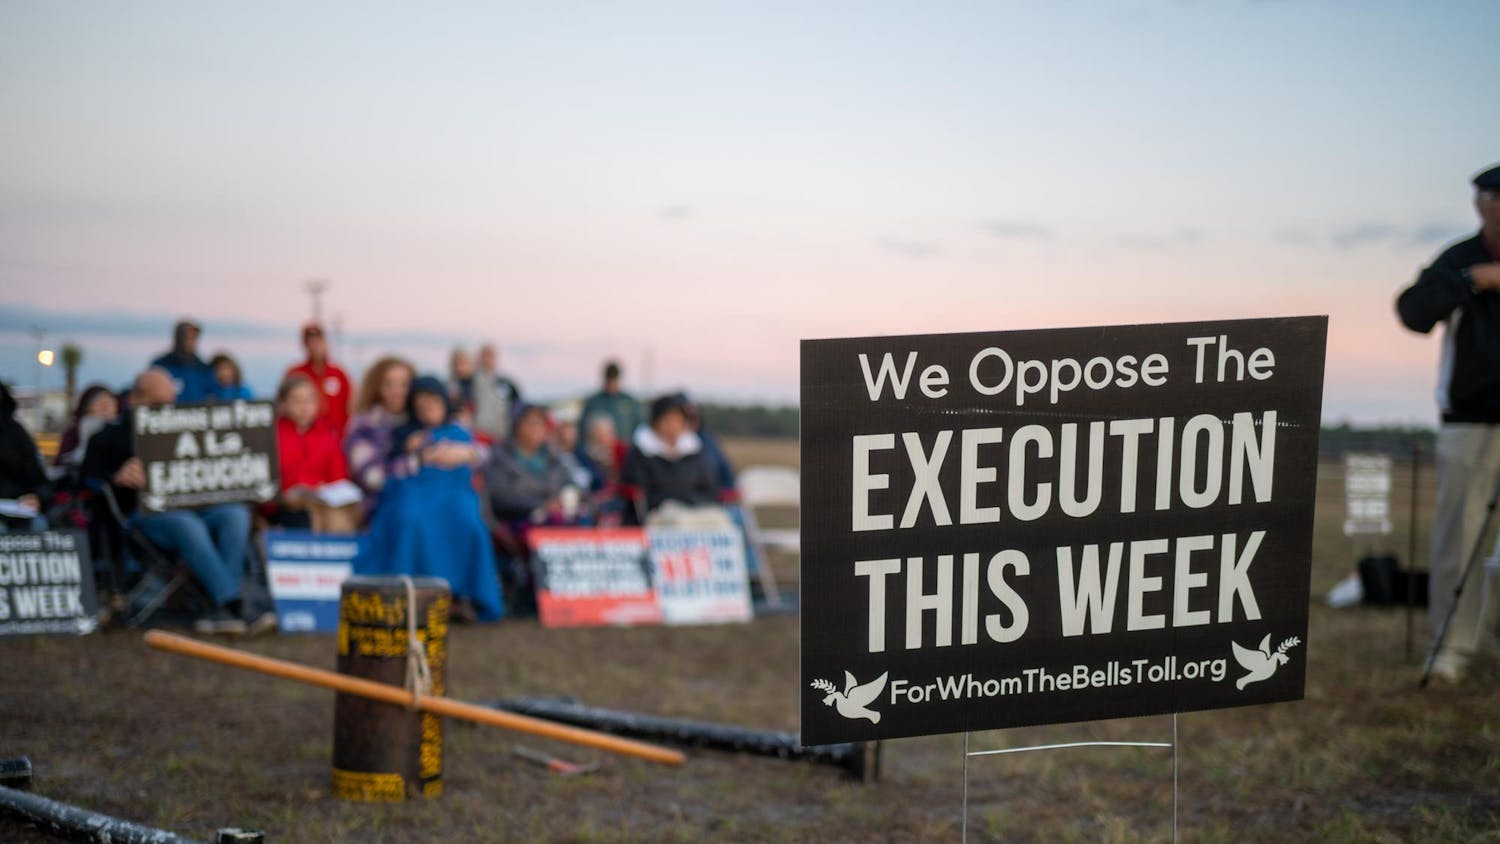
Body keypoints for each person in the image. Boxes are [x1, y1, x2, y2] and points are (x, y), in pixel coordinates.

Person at [1395, 163, 1500, 682]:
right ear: (1484, 205)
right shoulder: (1461, 259)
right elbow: (1412, 311)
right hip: (1472, 418)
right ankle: (1453, 648)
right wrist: (1471, 282)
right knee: (1460, 536)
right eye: (1494, 200)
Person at [81, 369, 273, 635]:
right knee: (186, 525)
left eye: (172, 402)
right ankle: (232, 604)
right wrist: (117, 477)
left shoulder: (187, 427)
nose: (167, 409)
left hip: (196, 508)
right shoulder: (107, 437)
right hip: (145, 515)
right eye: (158, 403)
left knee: (235, 514)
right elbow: (84, 480)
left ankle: (222, 608)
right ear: (135, 399)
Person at [354, 376, 502, 622]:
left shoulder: (460, 433)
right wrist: (420, 457)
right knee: (412, 519)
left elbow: (486, 453)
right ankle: (412, 595)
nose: (427, 409)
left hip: (455, 495)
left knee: (470, 524)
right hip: (414, 493)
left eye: (432, 403)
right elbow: (380, 475)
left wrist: (468, 454)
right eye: (421, 405)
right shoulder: (404, 434)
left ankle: (460, 596)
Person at [271, 375, 357, 533]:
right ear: (283, 404)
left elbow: (339, 477)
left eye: (309, 400)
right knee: (301, 518)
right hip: (286, 506)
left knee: (340, 520)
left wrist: (324, 490)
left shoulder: (328, 435)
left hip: (324, 502)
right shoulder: (272, 436)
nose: (304, 407)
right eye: (297, 401)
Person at [621, 393, 721, 520]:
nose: (673, 425)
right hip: (658, 516)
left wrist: (691, 501)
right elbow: (642, 495)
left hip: (697, 512)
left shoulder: (696, 450)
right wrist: (677, 500)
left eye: (678, 419)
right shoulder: (640, 452)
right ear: (655, 423)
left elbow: (711, 490)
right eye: (668, 419)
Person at [344, 356, 415, 518]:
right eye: (389, 385)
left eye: (404, 385)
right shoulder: (365, 426)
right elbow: (372, 478)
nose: (397, 391)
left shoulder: (423, 422)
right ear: (377, 388)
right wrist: (415, 462)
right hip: (380, 506)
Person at [285, 323, 353, 436]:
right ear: (304, 344)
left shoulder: (339, 374)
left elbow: (350, 406)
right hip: (303, 439)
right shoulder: (295, 373)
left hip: (336, 440)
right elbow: (285, 406)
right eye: (310, 342)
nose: (315, 345)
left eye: (318, 340)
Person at [0, 382, 49, 531]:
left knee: (39, 525)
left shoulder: (16, 434)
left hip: (16, 507)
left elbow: (38, 480)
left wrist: (36, 498)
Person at [579, 360, 643, 457]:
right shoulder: (593, 402)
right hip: (597, 455)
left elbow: (640, 426)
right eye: (609, 380)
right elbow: (582, 428)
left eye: (614, 380)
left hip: (625, 453)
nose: (612, 384)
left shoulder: (630, 401)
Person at [55, 383, 119, 468]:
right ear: (87, 407)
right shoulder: (74, 433)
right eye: (100, 403)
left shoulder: (123, 431)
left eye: (109, 403)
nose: (105, 408)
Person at [151, 319, 215, 402]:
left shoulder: (204, 369)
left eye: (193, 337)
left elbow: (213, 394)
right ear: (176, 338)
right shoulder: (160, 367)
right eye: (185, 337)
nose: (188, 341)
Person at [471, 342, 523, 441]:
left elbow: (518, 406)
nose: (487, 359)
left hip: (501, 436)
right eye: (485, 355)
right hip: (478, 435)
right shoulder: (470, 381)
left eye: (491, 355)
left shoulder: (507, 383)